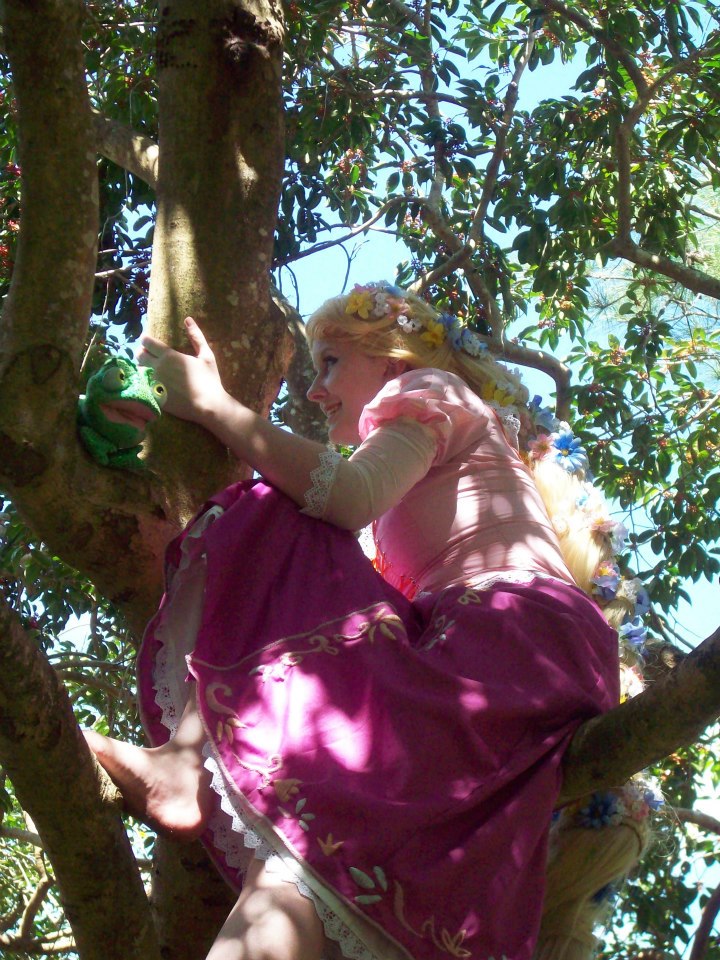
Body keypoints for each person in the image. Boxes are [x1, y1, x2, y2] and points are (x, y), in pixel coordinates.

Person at [85, 282, 651, 960]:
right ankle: (187, 768)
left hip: (509, 635)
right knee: (323, 850)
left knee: (274, 512)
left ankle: (185, 761)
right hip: (517, 652)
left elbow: (346, 494)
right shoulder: (413, 504)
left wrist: (213, 406)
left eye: (330, 363)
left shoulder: (432, 391)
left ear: (394, 362)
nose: (315, 391)